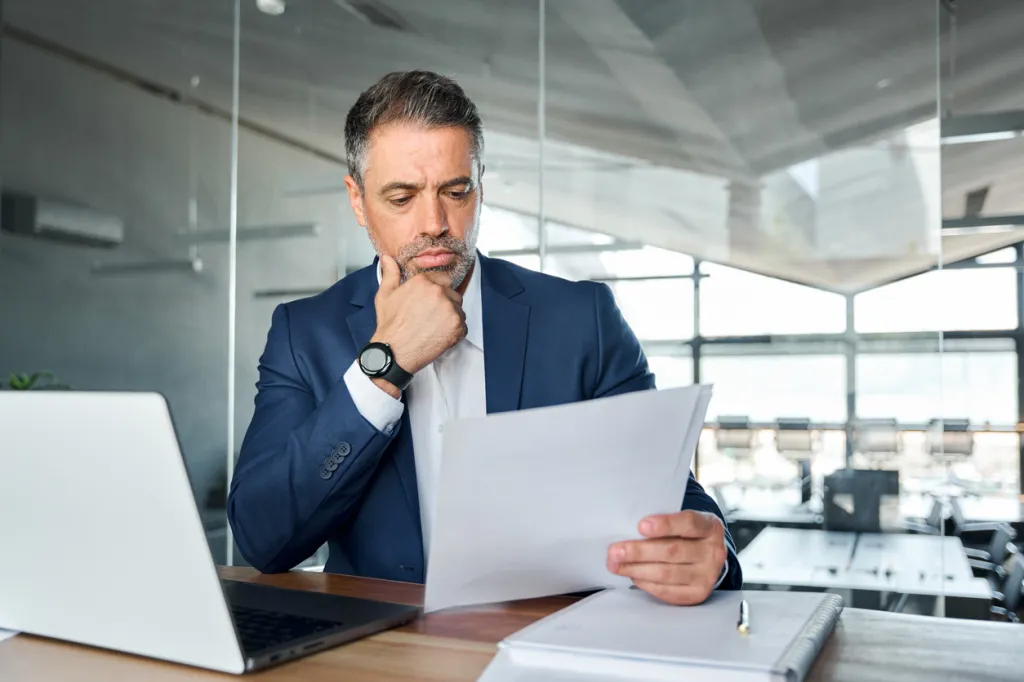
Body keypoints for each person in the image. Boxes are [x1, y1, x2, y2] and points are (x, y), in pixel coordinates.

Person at [228, 70, 742, 606]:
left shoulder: (582, 318)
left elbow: (667, 492)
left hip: (551, 645)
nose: (435, 223)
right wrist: (384, 367)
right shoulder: (305, 332)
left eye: (456, 190)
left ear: (480, 186)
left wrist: (711, 548)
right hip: (382, 654)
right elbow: (264, 540)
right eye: (402, 197)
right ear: (358, 202)